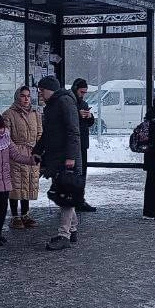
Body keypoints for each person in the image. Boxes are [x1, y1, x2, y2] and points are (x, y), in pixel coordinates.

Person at [0, 112, 40, 246]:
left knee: (3, 210)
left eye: (1, 127)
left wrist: (31, 160)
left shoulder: (6, 139)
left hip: (5, 183)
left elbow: (16, 155)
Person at [33, 76, 81, 251]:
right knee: (64, 194)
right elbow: (49, 133)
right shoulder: (54, 104)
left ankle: (64, 234)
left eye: (41, 90)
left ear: (50, 89)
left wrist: (71, 157)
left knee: (65, 196)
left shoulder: (63, 103)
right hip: (59, 157)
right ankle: (71, 229)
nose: (39, 94)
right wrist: (37, 150)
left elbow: (73, 131)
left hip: (65, 159)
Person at [2, 86, 42, 230]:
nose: (26, 99)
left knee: (28, 184)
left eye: (28, 96)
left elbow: (40, 133)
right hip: (16, 154)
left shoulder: (35, 114)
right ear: (17, 97)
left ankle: (25, 214)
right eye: (23, 96)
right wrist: (15, 150)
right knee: (16, 185)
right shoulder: (8, 114)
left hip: (32, 153)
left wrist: (38, 149)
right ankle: (14, 216)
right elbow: (6, 136)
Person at [71, 78, 97, 213]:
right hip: (72, 144)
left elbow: (89, 124)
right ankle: (72, 200)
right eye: (82, 92)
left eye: (85, 92)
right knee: (74, 174)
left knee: (82, 173)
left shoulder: (84, 104)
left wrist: (89, 116)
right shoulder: (69, 103)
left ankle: (80, 199)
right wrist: (77, 114)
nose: (83, 95)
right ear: (75, 89)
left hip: (82, 143)